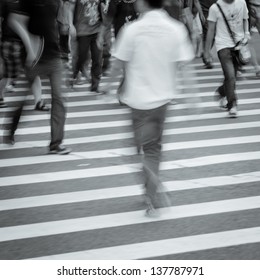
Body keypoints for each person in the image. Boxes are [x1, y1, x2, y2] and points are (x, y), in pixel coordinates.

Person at [103, 0, 194, 216]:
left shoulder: (132, 29)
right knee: (153, 150)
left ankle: (151, 190)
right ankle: (151, 193)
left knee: (136, 150)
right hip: (161, 101)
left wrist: (107, 87)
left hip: (136, 101)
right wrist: (193, 96)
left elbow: (118, 63)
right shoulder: (175, 28)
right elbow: (186, 64)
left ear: (143, 3)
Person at [5, 0, 71, 154]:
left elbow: (58, 23)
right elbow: (14, 21)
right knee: (23, 99)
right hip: (34, 56)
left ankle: (55, 144)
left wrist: (66, 51)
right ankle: (11, 129)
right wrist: (29, 45)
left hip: (54, 56)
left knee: (60, 98)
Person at [204, 0, 250, 118]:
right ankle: (232, 105)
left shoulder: (242, 3)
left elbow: (245, 19)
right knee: (230, 76)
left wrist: (246, 32)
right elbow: (211, 30)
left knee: (234, 76)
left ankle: (221, 91)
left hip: (239, 45)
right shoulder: (215, 8)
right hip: (223, 46)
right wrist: (207, 51)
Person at [0, 0, 49, 111]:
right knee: (6, 74)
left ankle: (38, 102)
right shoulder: (5, 2)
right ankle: (0, 96)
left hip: (25, 42)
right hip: (9, 42)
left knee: (33, 70)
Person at [71, 0, 107, 92]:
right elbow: (69, 7)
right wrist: (71, 25)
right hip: (82, 30)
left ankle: (95, 86)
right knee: (82, 56)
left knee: (97, 58)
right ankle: (75, 75)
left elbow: (103, 10)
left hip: (96, 30)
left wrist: (102, 34)